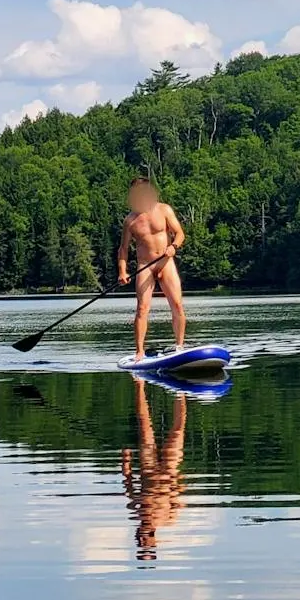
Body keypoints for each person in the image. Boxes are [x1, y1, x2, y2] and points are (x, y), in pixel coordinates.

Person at [117, 178, 186, 361]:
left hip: (166, 262)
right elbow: (123, 249)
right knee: (142, 309)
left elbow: (179, 233)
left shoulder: (164, 210)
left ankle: (179, 346)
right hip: (144, 267)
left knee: (177, 305)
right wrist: (122, 271)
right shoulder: (130, 221)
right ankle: (139, 351)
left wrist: (174, 246)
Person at [121, 377, 187, 561]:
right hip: (169, 469)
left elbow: (128, 482)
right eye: (145, 540)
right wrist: (178, 482)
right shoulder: (169, 518)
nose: (143, 536)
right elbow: (180, 498)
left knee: (144, 425)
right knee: (179, 429)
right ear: (154, 540)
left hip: (148, 465)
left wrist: (125, 460)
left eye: (140, 539)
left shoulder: (135, 509)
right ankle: (179, 391)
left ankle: (140, 385)